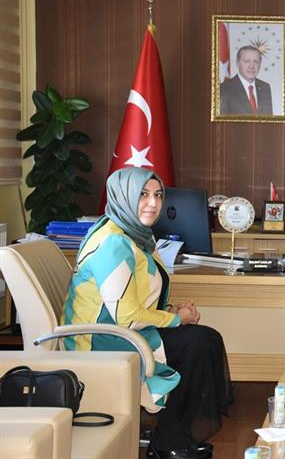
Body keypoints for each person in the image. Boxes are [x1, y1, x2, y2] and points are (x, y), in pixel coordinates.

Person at [62, 167, 233, 459]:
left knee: (203, 339)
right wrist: (177, 319)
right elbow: (128, 317)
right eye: (142, 195)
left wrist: (170, 311)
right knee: (199, 344)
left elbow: (131, 297)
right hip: (100, 339)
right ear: (124, 196)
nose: (153, 203)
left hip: (117, 329)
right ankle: (168, 442)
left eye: (158, 195)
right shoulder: (113, 243)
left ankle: (176, 434)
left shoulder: (131, 233)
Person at [219, 45, 273, 115]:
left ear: (260, 64)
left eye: (256, 61)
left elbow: (268, 119)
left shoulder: (265, 87)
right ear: (238, 63)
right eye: (247, 61)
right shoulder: (224, 89)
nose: (251, 66)